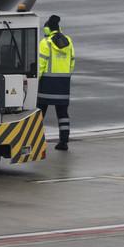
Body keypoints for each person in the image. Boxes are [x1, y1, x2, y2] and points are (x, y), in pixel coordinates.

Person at [38, 14, 76, 150]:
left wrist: (35, 80)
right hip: (63, 84)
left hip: (46, 84)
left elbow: (40, 65)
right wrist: (66, 76)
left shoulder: (45, 43)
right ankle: (64, 142)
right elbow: (72, 62)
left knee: (39, 114)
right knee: (63, 114)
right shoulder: (68, 41)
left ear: (47, 29)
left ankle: (37, 140)